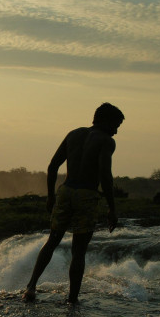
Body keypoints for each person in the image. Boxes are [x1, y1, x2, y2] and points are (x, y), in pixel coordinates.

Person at [23, 102, 124, 304]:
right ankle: (72, 300)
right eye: (115, 125)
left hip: (65, 191)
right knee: (79, 250)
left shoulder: (73, 134)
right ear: (104, 121)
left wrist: (51, 196)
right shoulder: (106, 141)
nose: (116, 132)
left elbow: (53, 166)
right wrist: (112, 208)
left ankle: (31, 287)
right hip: (86, 195)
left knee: (52, 241)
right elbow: (105, 175)